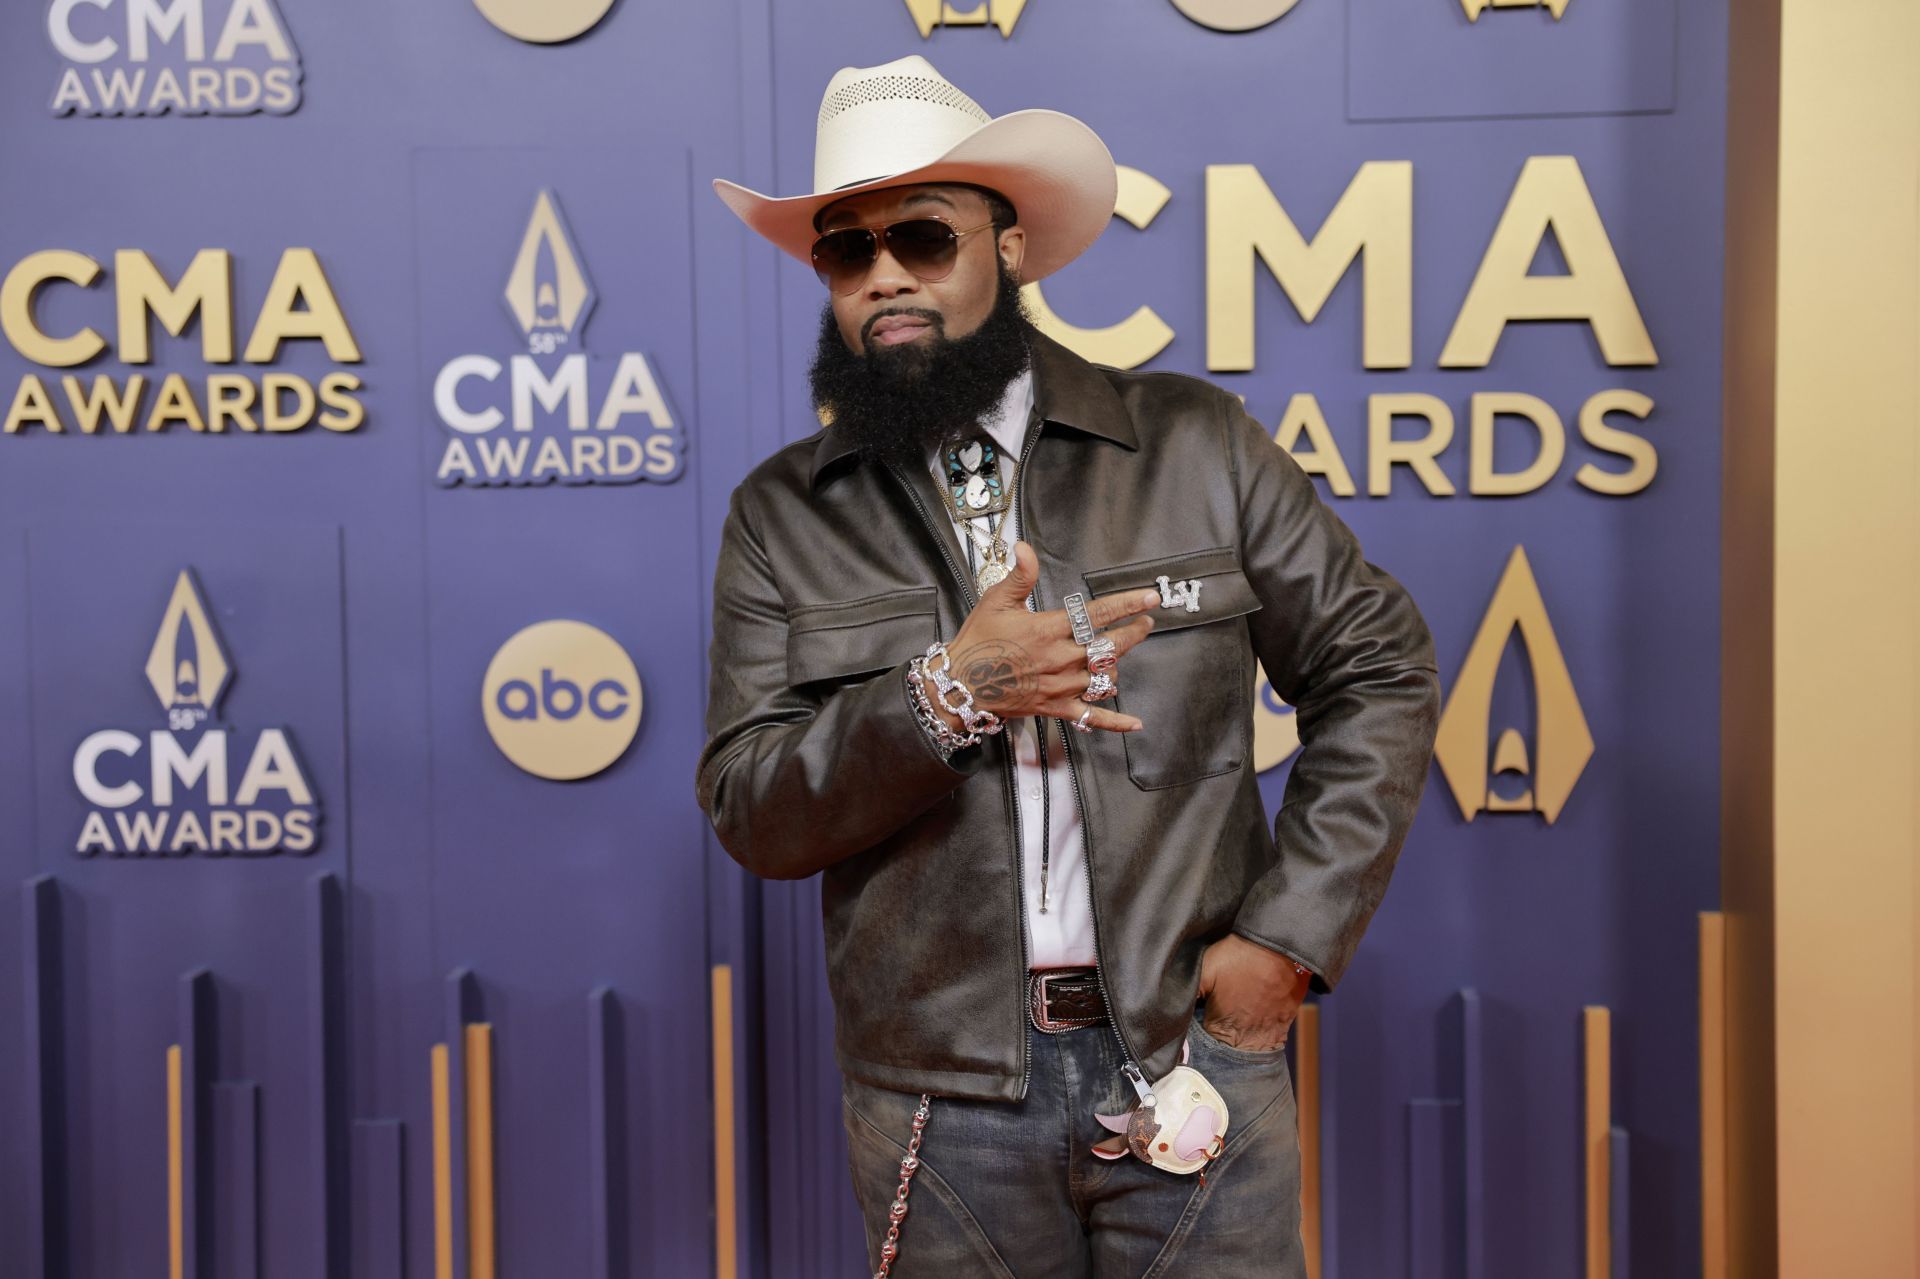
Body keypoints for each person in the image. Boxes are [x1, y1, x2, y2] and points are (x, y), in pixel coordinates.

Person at [700, 54, 1441, 1278]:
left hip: (1191, 1057)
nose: (884, 274)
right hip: (939, 1099)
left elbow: (1379, 666)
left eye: (922, 237)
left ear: (1010, 247)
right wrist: (945, 697)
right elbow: (754, 808)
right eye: (846, 251)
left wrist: (1284, 942)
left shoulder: (1194, 444)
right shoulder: (785, 514)